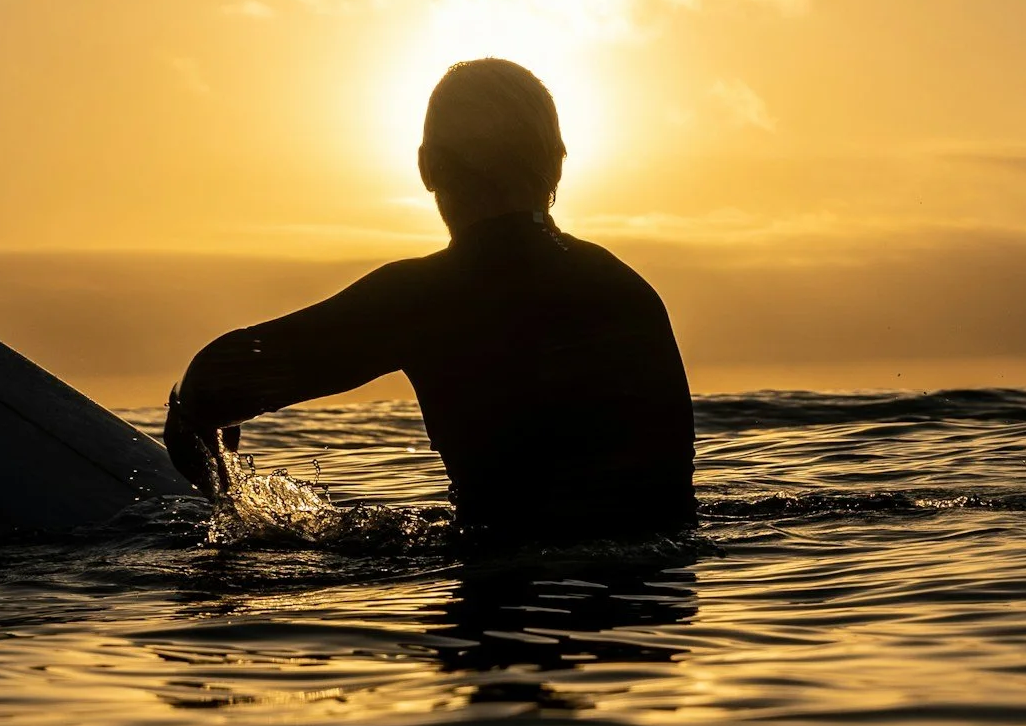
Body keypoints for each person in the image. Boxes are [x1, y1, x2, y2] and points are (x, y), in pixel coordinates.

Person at [163, 58, 696, 541]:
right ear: (557, 164)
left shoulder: (427, 299)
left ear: (428, 167)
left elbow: (210, 385)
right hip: (655, 610)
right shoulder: (630, 292)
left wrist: (231, 506)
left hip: (508, 600)